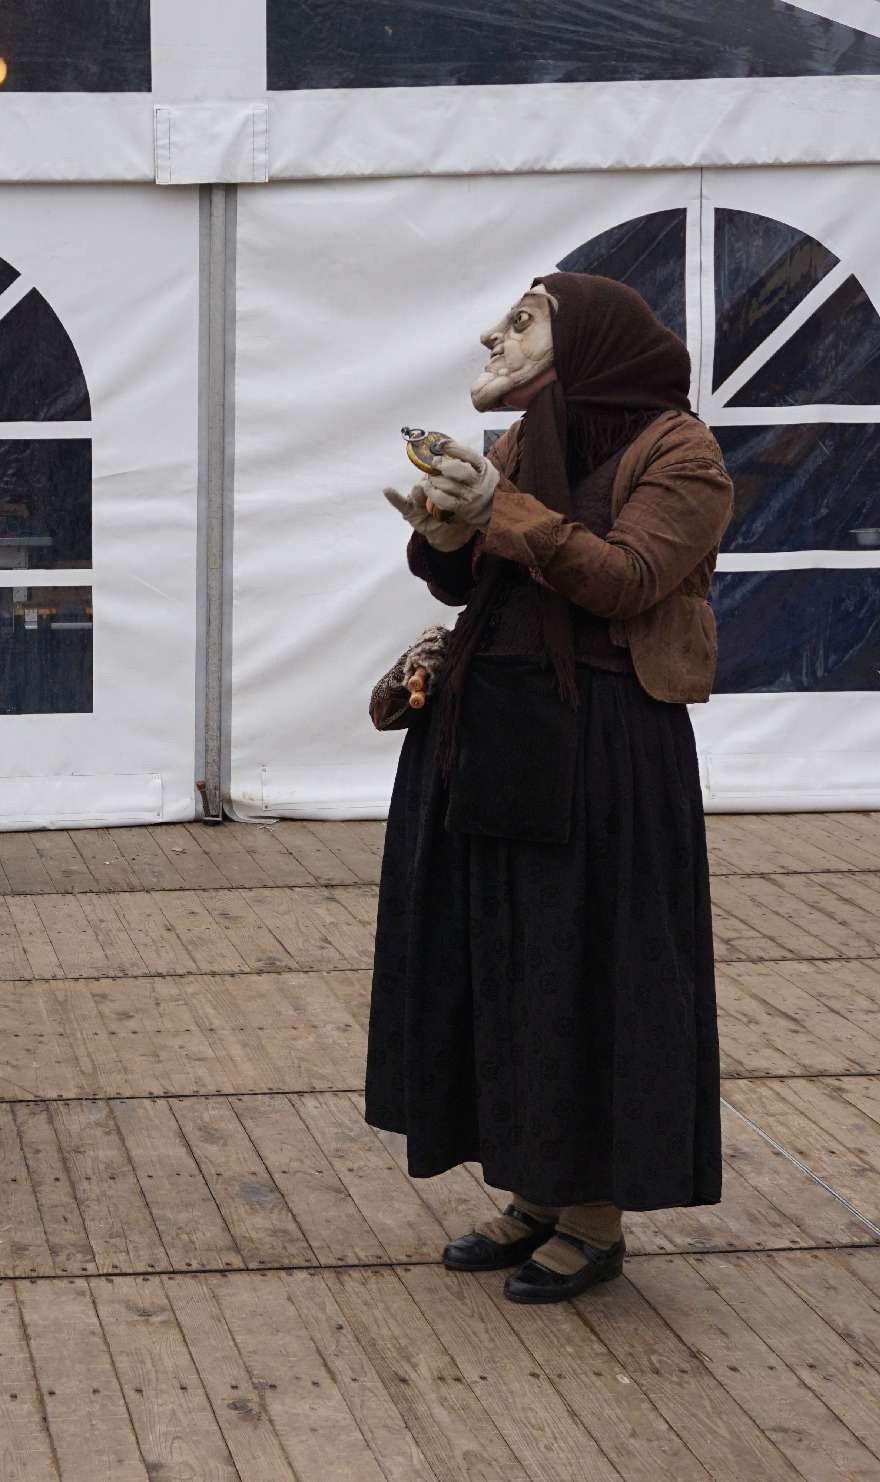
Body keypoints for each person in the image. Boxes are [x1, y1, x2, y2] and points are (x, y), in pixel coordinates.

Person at [366, 272, 732, 1303]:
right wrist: (446, 538)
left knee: (590, 970)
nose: (494, 334)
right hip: (500, 729)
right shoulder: (529, 439)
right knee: (505, 964)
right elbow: (483, 580)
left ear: (592, 339)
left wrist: (499, 509)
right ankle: (533, 1190)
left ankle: (593, 1218)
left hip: (607, 751)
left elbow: (625, 580)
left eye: (522, 320)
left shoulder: (681, 453)